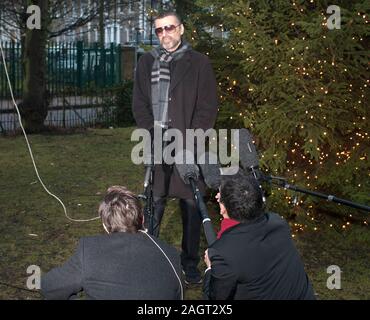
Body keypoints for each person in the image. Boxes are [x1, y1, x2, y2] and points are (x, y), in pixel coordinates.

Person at [132, 11, 218, 284]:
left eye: (169, 27)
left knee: (191, 206)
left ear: (181, 29)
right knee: (153, 205)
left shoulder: (199, 63)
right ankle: (151, 259)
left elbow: (207, 107)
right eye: (159, 30)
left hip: (188, 147)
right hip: (156, 144)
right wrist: (151, 134)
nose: (165, 33)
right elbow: (139, 103)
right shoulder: (146, 62)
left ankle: (189, 262)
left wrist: (190, 142)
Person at [41, 186, 183, 300]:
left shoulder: (89, 250)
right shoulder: (171, 254)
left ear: (104, 224)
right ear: (142, 219)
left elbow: (50, 287)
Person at [203, 172, 316, 300]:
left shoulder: (223, 253)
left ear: (223, 209)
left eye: (220, 195)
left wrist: (210, 268)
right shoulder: (278, 223)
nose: (217, 196)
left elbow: (214, 298)